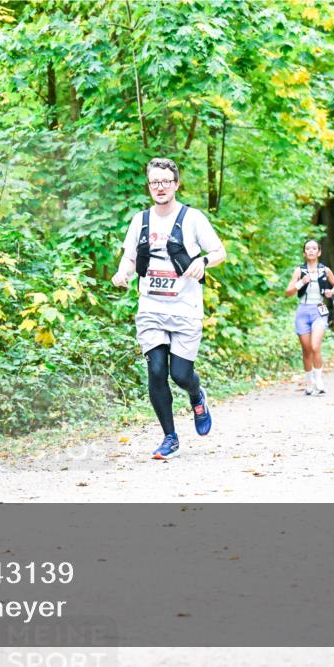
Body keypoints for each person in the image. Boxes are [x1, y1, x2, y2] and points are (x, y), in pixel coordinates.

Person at [112, 157, 227, 460]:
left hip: (185, 309)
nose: (159, 187)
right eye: (154, 182)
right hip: (150, 307)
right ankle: (170, 437)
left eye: (165, 181)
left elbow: (219, 251)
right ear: (148, 185)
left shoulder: (193, 218)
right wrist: (122, 272)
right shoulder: (141, 220)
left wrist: (202, 262)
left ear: (176, 184)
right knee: (157, 371)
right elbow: (129, 257)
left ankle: (196, 395)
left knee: (180, 374)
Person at [285, 239, 334, 395]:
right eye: (308, 248)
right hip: (302, 311)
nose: (311, 251)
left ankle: (319, 380)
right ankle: (309, 383)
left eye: (314, 248)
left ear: (319, 252)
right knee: (307, 350)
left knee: (315, 346)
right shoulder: (299, 271)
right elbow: (288, 292)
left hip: (319, 310)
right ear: (304, 253)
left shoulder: (325, 270)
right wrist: (301, 282)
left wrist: (332, 292)